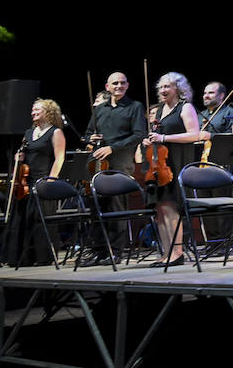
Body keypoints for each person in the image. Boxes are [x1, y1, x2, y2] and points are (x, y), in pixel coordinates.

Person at [143, 72, 203, 265]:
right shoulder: (160, 110)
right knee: (160, 208)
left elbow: (194, 135)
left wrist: (164, 138)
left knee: (170, 206)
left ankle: (177, 252)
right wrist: (151, 139)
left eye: (167, 86)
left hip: (176, 161)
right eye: (160, 87)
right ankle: (166, 252)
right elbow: (159, 134)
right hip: (159, 163)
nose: (162, 90)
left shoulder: (185, 108)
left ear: (177, 88)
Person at [86, 71, 147, 255]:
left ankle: (116, 250)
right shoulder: (100, 109)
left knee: (116, 206)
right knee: (96, 206)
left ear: (127, 85)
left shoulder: (135, 107)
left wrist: (112, 148)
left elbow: (138, 134)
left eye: (122, 83)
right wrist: (91, 138)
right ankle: (98, 250)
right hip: (98, 163)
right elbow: (88, 133)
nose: (118, 86)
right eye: (115, 83)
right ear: (107, 87)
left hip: (120, 161)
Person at [0, 98, 66, 266]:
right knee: (22, 217)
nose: (33, 112)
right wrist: (18, 157)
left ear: (48, 113)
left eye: (38, 110)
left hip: (43, 180)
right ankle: (21, 257)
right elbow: (23, 153)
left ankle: (42, 257)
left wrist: (51, 181)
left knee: (39, 219)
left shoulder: (55, 132)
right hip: (25, 182)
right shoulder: (29, 133)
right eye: (33, 110)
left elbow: (59, 158)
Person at [199, 81, 233, 168]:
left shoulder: (230, 112)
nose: (206, 96)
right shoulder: (200, 115)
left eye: (211, 93)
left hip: (221, 161)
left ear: (221, 95)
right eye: (205, 93)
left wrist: (211, 136)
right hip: (199, 160)